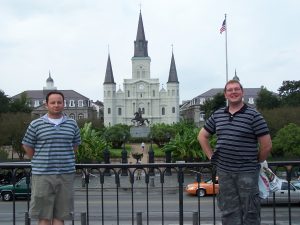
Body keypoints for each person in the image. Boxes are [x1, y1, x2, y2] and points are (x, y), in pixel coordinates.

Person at [198, 80, 272, 225]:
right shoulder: (218, 115)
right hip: (224, 173)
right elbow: (202, 136)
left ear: (242, 92)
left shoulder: (254, 115)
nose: (233, 92)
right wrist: (212, 157)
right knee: (228, 211)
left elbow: (267, 145)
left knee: (250, 213)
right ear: (225, 94)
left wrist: (254, 161)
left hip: (247, 173)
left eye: (236, 89)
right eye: (230, 90)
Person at [22, 91, 81, 225]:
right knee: (43, 216)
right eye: (53, 102)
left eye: (59, 102)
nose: (56, 105)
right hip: (42, 175)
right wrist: (38, 160)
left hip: (66, 174)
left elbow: (75, 145)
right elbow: (27, 145)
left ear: (63, 104)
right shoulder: (36, 124)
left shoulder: (72, 124)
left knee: (61, 216)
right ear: (46, 105)